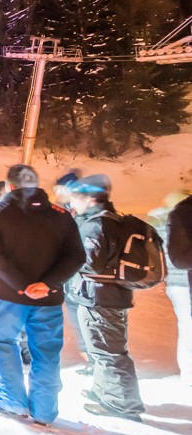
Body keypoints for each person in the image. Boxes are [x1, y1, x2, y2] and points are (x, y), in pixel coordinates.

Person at [0, 164, 85, 425]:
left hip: (9, 297)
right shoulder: (61, 215)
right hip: (48, 299)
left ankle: (11, 402)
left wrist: (21, 285)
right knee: (46, 352)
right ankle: (45, 411)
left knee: (2, 343)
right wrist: (47, 284)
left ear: (12, 186)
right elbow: (76, 256)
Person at [65, 174, 146, 421]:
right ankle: (103, 391)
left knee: (108, 351)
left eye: (75, 199)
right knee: (104, 348)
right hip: (110, 295)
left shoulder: (95, 224)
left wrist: (67, 257)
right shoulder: (114, 220)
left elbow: (91, 262)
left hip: (100, 298)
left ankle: (123, 404)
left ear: (89, 199)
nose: (72, 205)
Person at [54, 170, 92, 371]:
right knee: (78, 318)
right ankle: (91, 360)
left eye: (59, 189)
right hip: (71, 278)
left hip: (82, 278)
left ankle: (94, 362)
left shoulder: (84, 214)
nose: (57, 193)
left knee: (84, 318)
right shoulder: (67, 212)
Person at [153, 191, 191, 386]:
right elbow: (177, 258)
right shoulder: (177, 218)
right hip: (180, 283)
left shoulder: (167, 219)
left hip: (178, 282)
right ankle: (189, 372)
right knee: (187, 325)